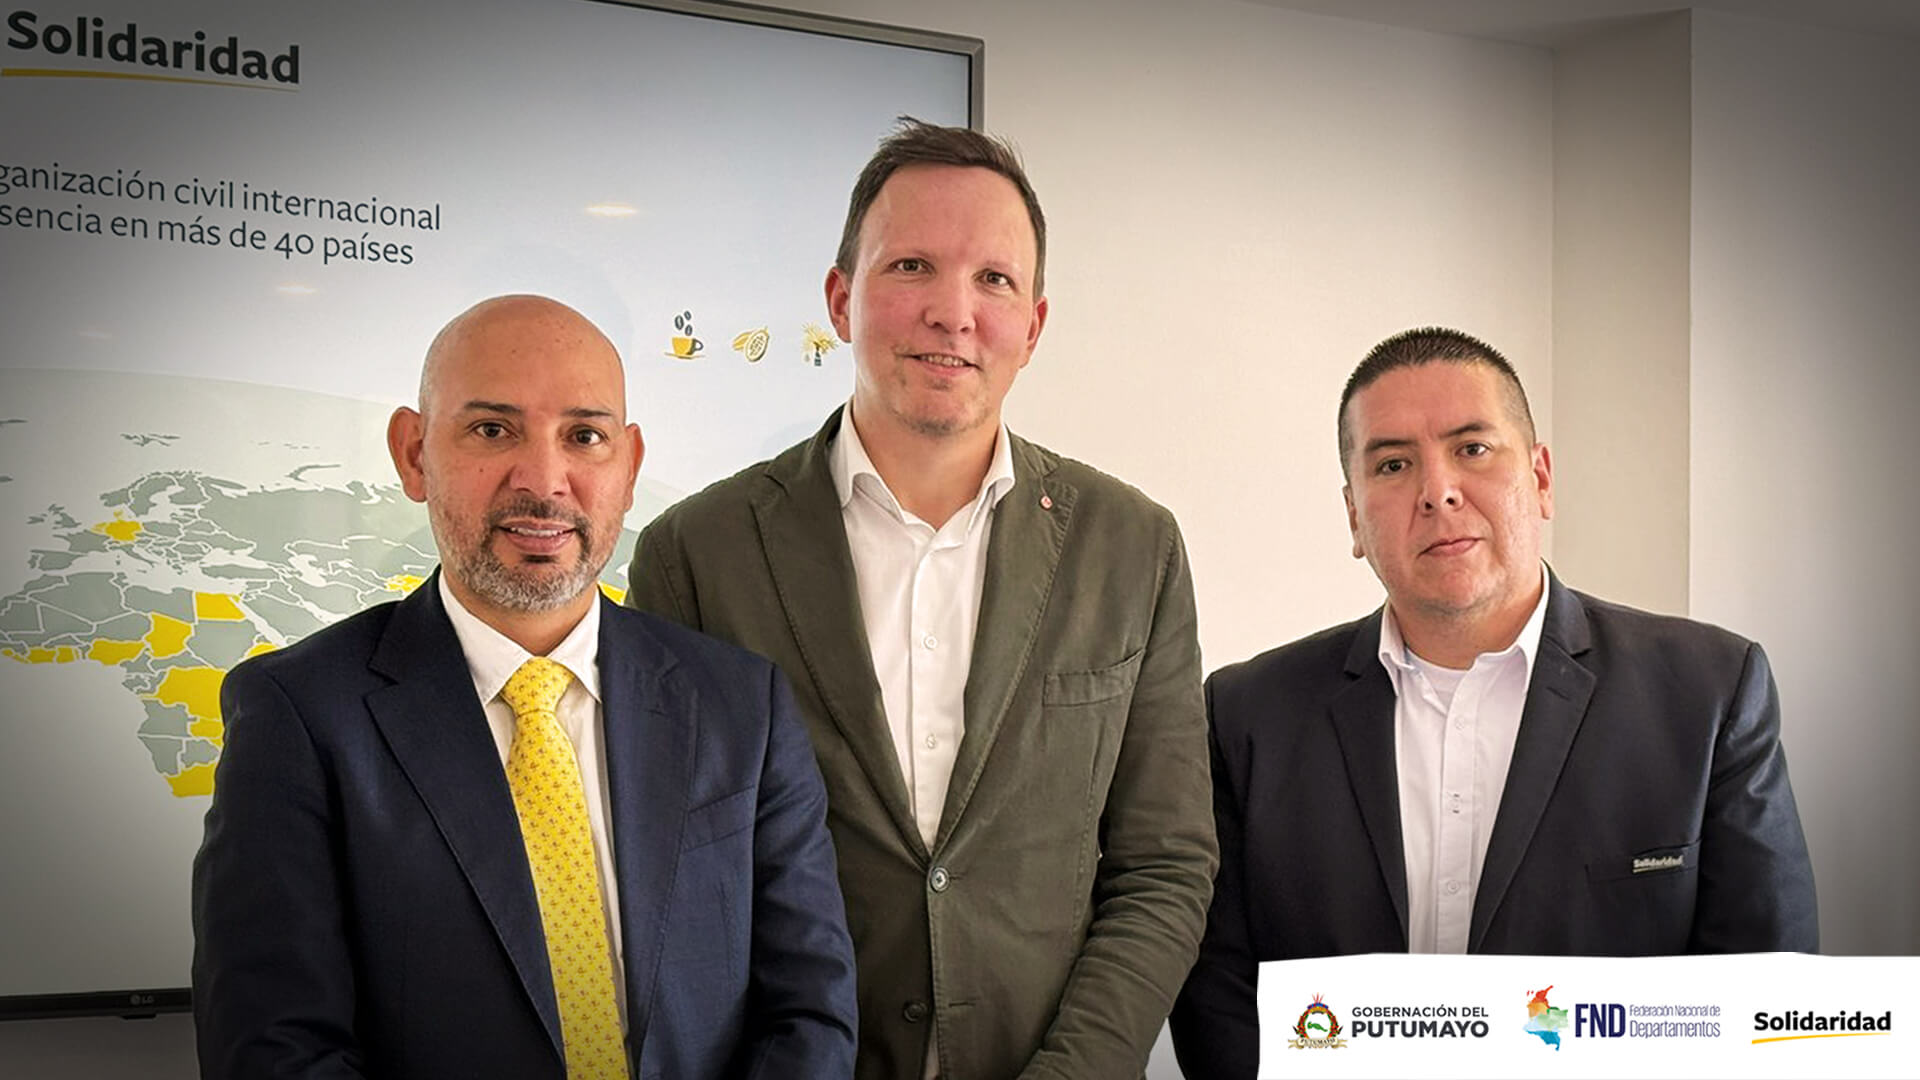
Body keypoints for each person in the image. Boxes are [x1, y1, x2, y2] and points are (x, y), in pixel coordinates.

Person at [626, 120, 1216, 1079]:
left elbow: (1165, 867)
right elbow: (682, 886)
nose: (954, 312)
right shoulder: (698, 554)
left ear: (1034, 325)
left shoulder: (1133, 547)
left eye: (994, 279)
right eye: (912, 267)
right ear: (840, 299)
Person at [192, 295, 857, 1079]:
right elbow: (275, 1052)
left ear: (629, 466)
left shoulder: (743, 706)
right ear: (414, 454)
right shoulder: (300, 717)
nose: (544, 481)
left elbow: (809, 1010)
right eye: (492, 430)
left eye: (584, 436)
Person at [1169, 326, 1818, 1077]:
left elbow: (1770, 1002)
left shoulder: (1709, 691)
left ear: (1540, 479)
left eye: (1472, 448)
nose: (1437, 490)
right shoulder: (1246, 715)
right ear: (1353, 516)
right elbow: (1219, 999)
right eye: (1393, 464)